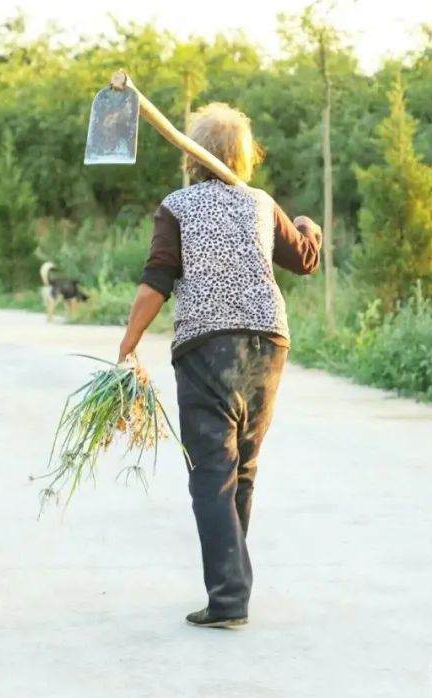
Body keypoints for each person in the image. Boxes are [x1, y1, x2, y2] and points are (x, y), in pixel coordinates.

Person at [117, 102, 322, 628]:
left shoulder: (178, 207)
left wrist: (129, 341)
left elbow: (157, 279)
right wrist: (306, 225)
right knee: (242, 469)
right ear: (244, 158)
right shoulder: (259, 203)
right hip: (268, 345)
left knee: (213, 473)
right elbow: (304, 258)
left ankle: (229, 597)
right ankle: (230, 584)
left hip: (207, 347)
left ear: (194, 157)